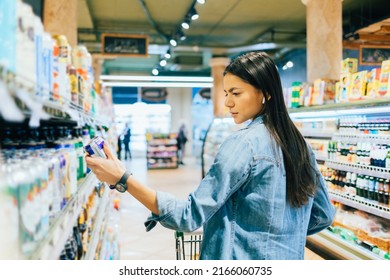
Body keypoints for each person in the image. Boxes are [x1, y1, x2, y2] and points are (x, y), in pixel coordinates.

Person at [85, 51, 335, 260]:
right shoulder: (299, 144)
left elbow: (188, 216)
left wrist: (123, 179)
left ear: (265, 93)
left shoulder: (243, 144)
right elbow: (324, 215)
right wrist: (280, 235)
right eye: (226, 93)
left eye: (236, 93)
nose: (227, 102)